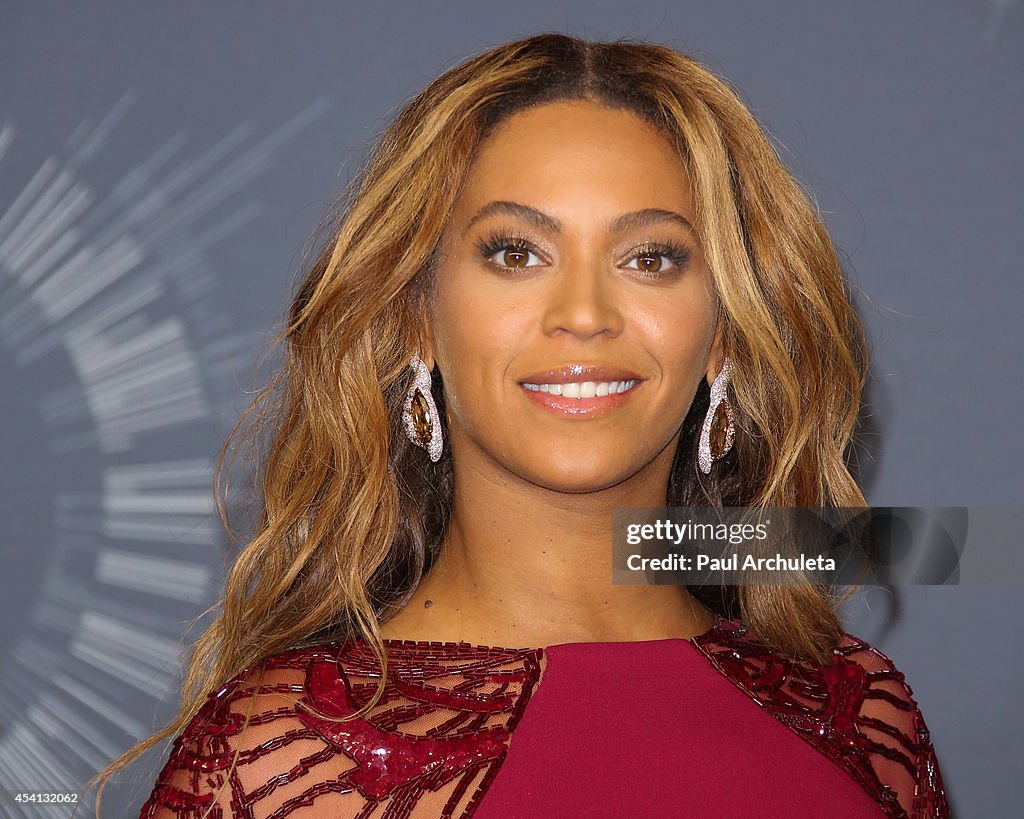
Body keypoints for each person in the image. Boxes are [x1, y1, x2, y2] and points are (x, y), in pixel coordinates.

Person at [87, 32, 948, 818]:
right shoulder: (277, 758)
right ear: (416, 318)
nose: (584, 313)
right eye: (515, 253)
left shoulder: (861, 716)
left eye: (651, 257)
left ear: (722, 334)